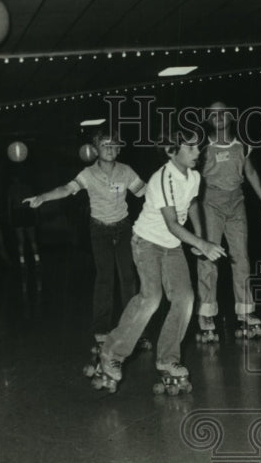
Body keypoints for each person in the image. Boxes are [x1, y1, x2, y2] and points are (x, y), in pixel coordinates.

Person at [91, 130, 226, 393]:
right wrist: (201, 244)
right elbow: (173, 224)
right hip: (147, 242)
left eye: (198, 148)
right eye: (191, 148)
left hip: (173, 246)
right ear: (172, 151)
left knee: (185, 299)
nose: (198, 153)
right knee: (151, 297)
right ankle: (111, 353)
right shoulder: (162, 179)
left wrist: (199, 236)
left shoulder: (195, 176)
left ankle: (167, 360)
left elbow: (193, 204)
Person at [24, 130, 146, 347]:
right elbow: (67, 188)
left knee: (128, 278)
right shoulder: (88, 174)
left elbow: (145, 193)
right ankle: (101, 329)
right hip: (99, 230)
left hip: (124, 227)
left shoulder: (126, 171)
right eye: (104, 145)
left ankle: (134, 329)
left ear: (119, 148)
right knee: (104, 278)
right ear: (96, 149)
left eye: (113, 145)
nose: (109, 148)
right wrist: (43, 197)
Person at [196, 101, 261, 342]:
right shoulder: (202, 147)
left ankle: (246, 311)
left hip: (236, 203)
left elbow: (250, 173)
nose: (218, 116)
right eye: (213, 114)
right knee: (209, 257)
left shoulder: (243, 145)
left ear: (230, 117)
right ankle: (206, 314)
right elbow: (192, 177)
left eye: (222, 112)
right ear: (208, 119)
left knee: (241, 257)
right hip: (210, 202)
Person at [7, 173, 40, 267]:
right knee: (32, 240)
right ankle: (36, 260)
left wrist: (10, 218)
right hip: (26, 213)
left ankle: (22, 262)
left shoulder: (11, 188)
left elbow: (9, 204)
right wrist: (36, 215)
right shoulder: (26, 187)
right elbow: (34, 201)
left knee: (21, 241)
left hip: (19, 213)